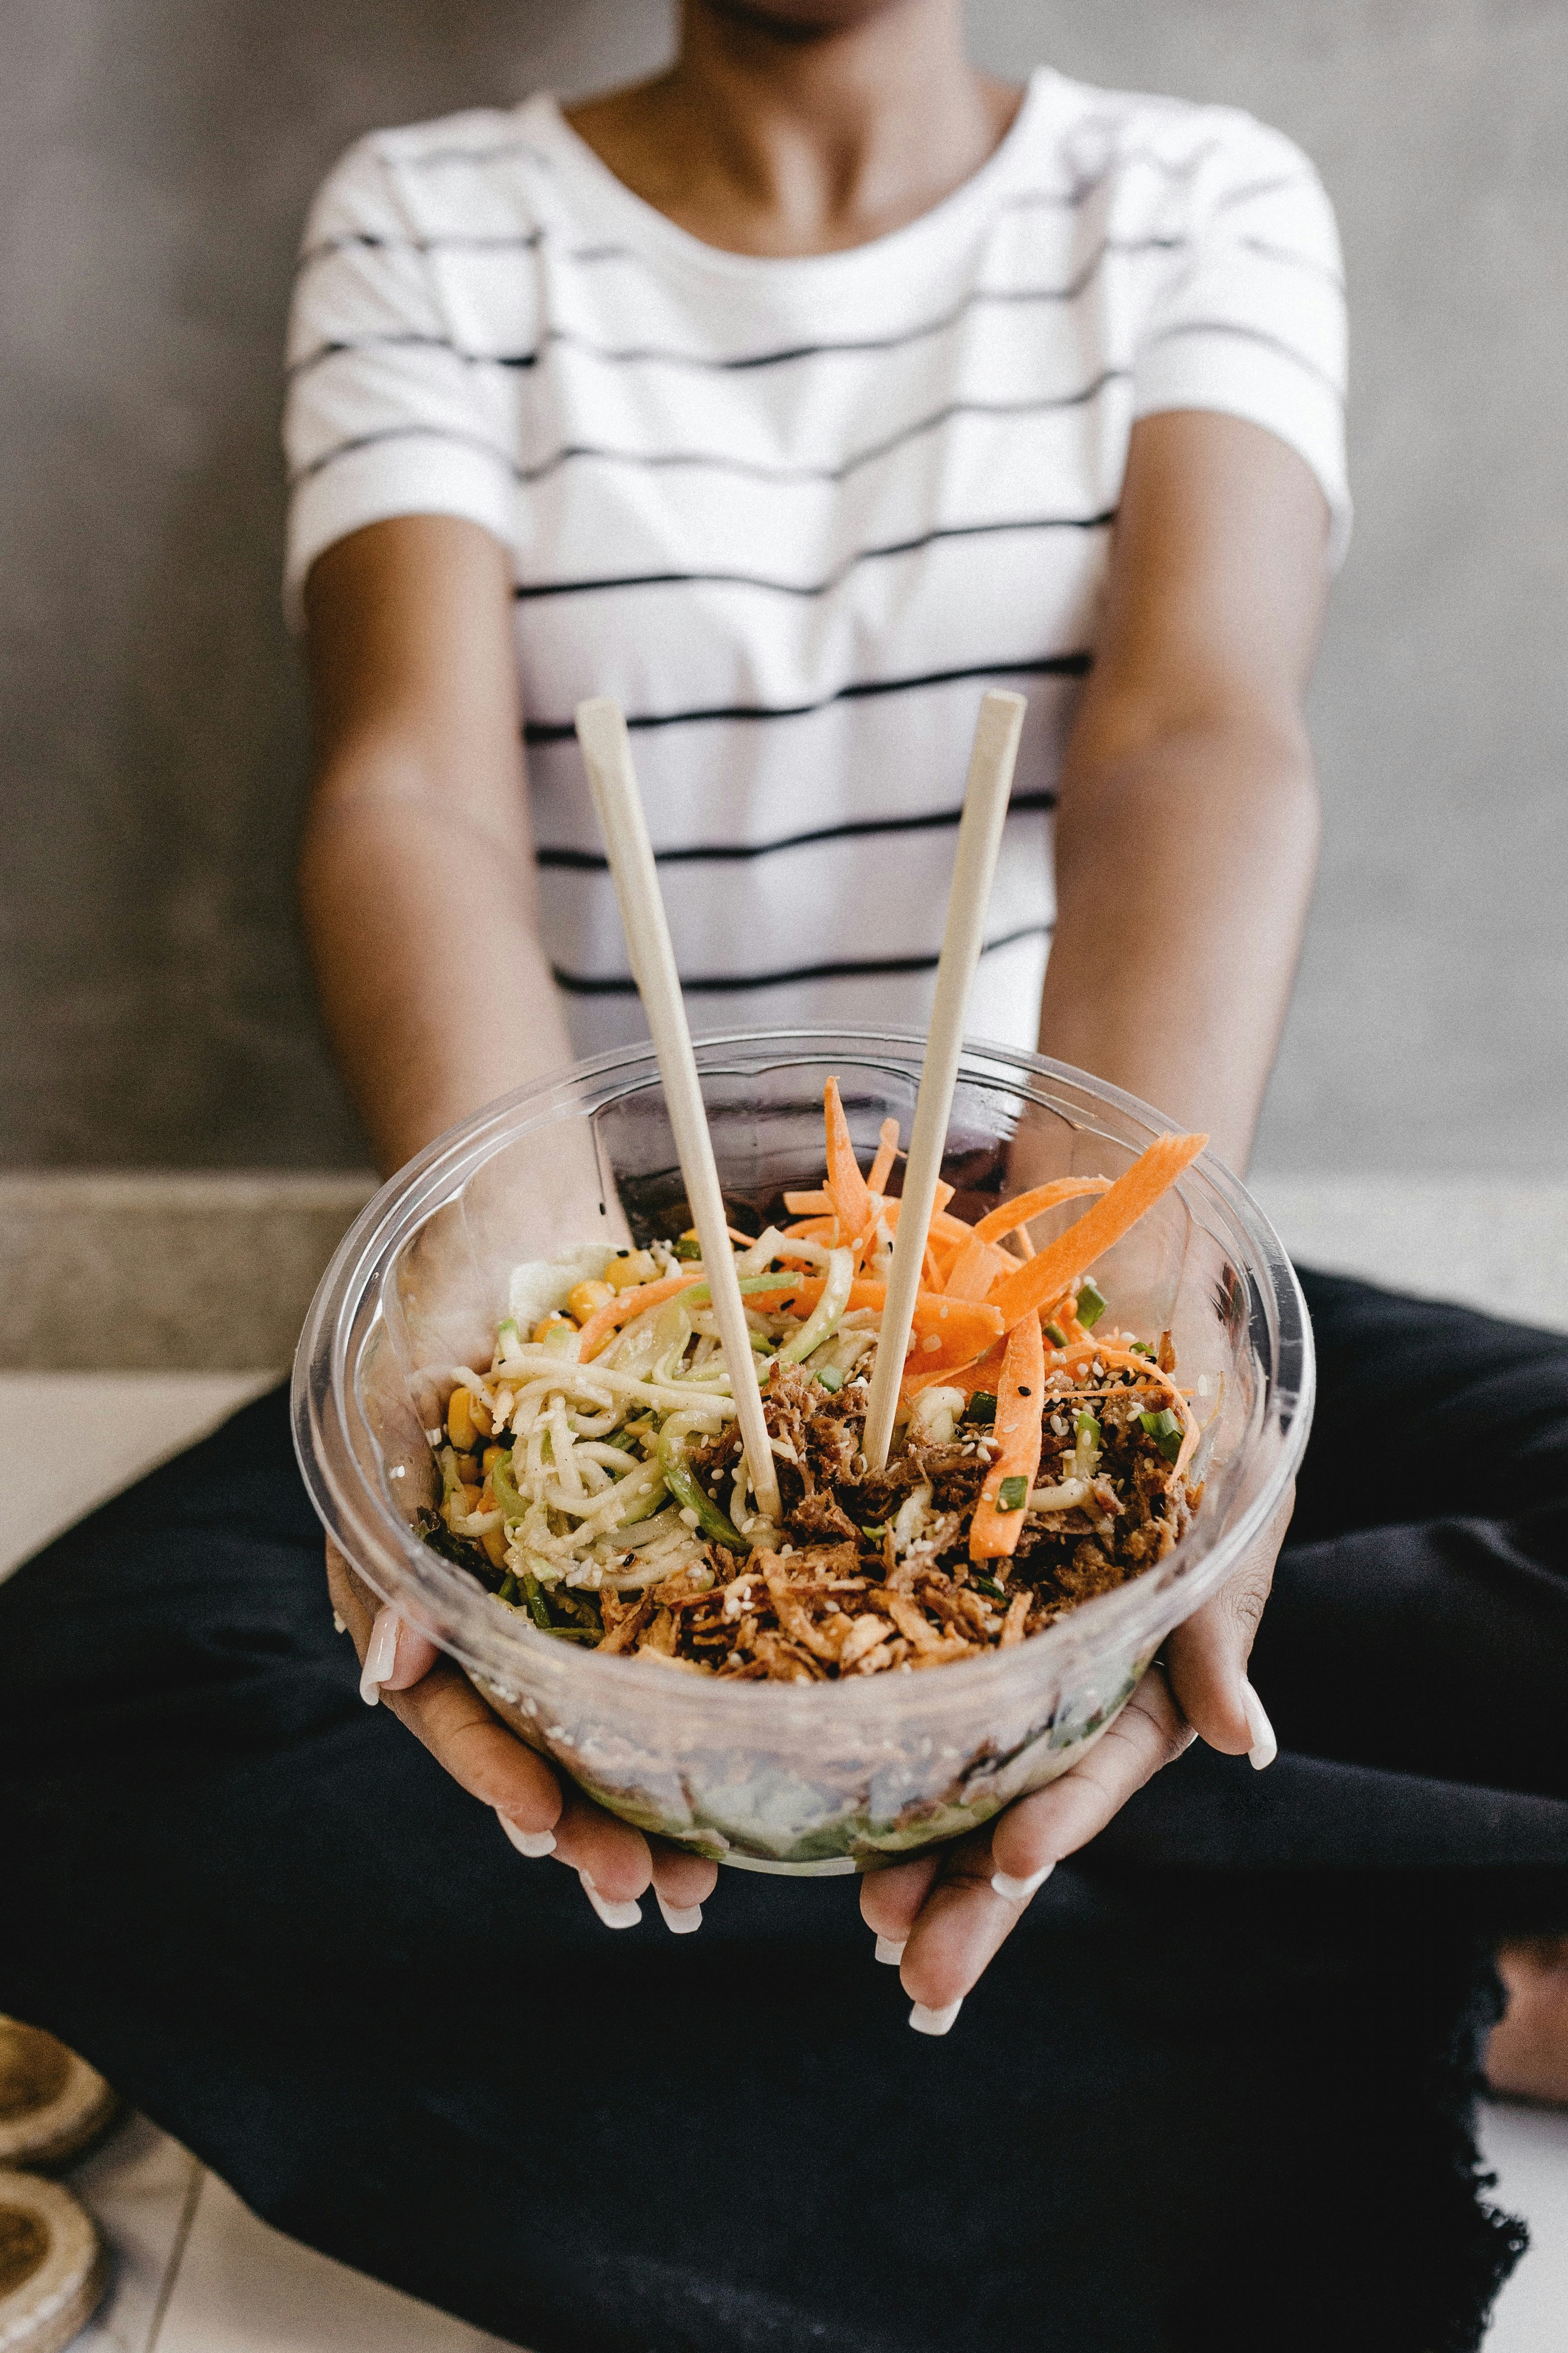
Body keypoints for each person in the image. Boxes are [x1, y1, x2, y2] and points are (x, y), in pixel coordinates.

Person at [3, 3, 1566, 2346]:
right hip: (608, 1287)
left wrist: (1112, 1330)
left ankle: (1040, 1928)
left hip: (1030, 1250)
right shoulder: (442, 215)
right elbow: (407, 787)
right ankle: (1433, 1945)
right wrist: (506, 1358)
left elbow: (1188, 738)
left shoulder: (1187, 196)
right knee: (83, 1713)